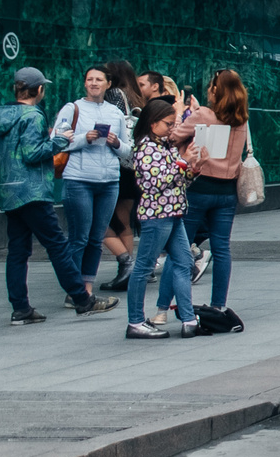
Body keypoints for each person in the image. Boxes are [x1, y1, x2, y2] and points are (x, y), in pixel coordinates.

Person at [0, 67, 87, 324]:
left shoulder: (2, 114)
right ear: (39, 90)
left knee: (18, 251)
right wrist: (60, 141)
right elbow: (32, 153)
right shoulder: (33, 115)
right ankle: (81, 298)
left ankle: (21, 308)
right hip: (33, 191)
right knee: (57, 245)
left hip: (10, 190)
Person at [177, 69, 252, 326]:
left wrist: (182, 111)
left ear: (215, 90)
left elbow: (174, 135)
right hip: (227, 193)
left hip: (200, 188)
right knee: (222, 249)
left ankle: (170, 307)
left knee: (180, 246)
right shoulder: (241, 119)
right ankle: (219, 304)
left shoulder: (204, 114)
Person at [52, 67, 127, 312]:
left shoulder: (115, 112)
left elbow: (129, 151)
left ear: (108, 84)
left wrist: (116, 143)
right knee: (79, 238)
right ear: (84, 83)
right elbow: (57, 139)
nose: (94, 83)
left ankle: (86, 290)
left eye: (99, 80)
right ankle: (72, 292)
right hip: (79, 179)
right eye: (89, 79)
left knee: (95, 240)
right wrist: (86, 137)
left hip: (109, 182)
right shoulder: (72, 108)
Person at [124, 99, 197, 339]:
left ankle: (188, 319)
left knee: (184, 262)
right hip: (157, 215)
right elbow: (154, 183)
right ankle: (135, 322)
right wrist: (183, 162)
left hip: (173, 212)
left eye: (174, 123)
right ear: (152, 123)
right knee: (144, 266)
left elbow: (180, 181)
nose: (172, 128)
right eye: (168, 124)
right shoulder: (145, 147)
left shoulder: (165, 146)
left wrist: (189, 168)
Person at [98, 59, 145, 291]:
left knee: (103, 221)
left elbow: (108, 126)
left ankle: (125, 264)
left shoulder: (114, 94)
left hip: (117, 165)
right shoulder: (136, 96)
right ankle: (128, 270)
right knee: (124, 220)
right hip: (132, 168)